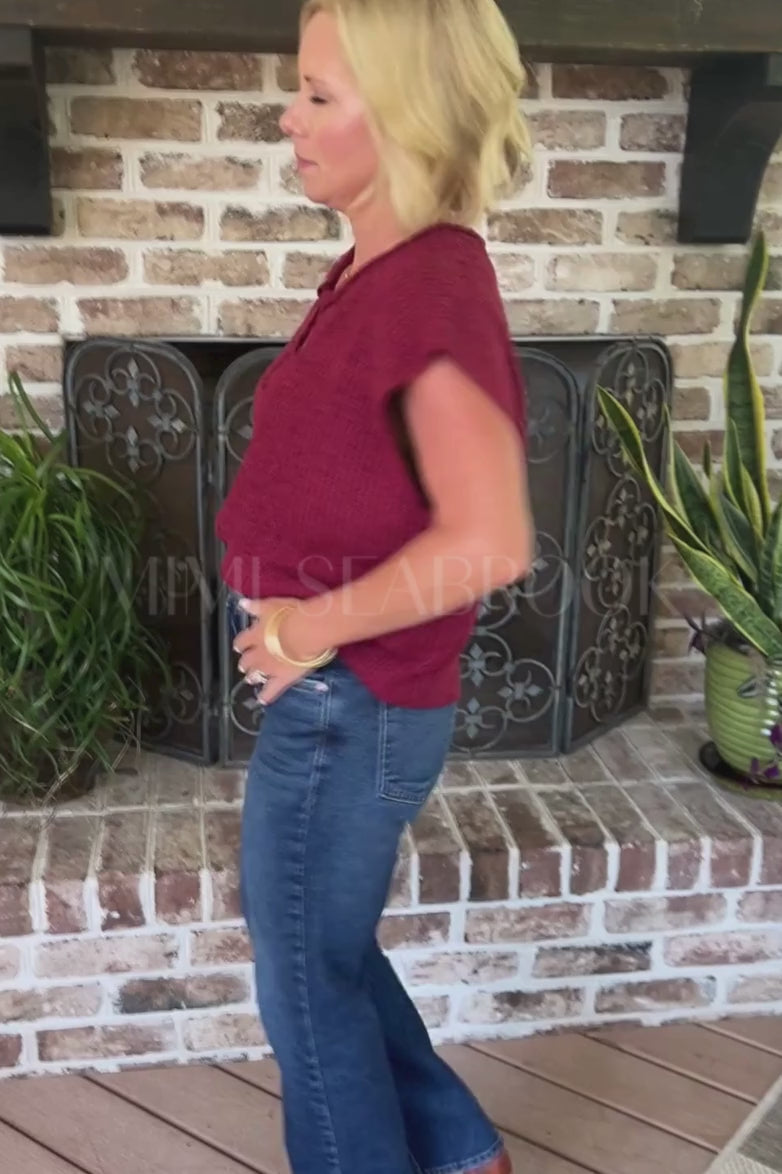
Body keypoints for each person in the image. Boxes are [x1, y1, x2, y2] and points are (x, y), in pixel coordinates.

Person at [215, 1, 534, 1170]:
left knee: (305, 982)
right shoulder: (379, 270)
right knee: (322, 956)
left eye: (317, 94)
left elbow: (487, 539)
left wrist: (306, 628)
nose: (287, 118)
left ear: (404, 115)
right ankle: (457, 1150)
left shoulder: (426, 290)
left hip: (349, 703)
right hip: (339, 698)